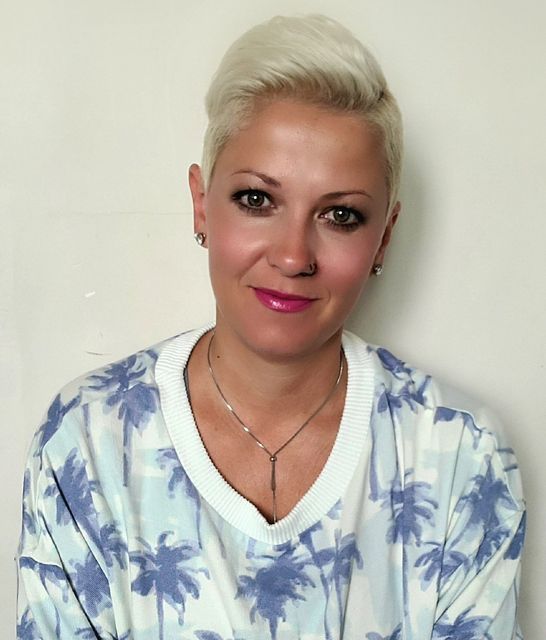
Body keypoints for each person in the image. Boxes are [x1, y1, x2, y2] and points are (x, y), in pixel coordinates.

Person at [16, 14, 525, 640]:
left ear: (384, 236)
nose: (292, 256)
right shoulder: (88, 442)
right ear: (202, 204)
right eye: (257, 200)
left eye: (340, 215)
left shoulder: (458, 453)